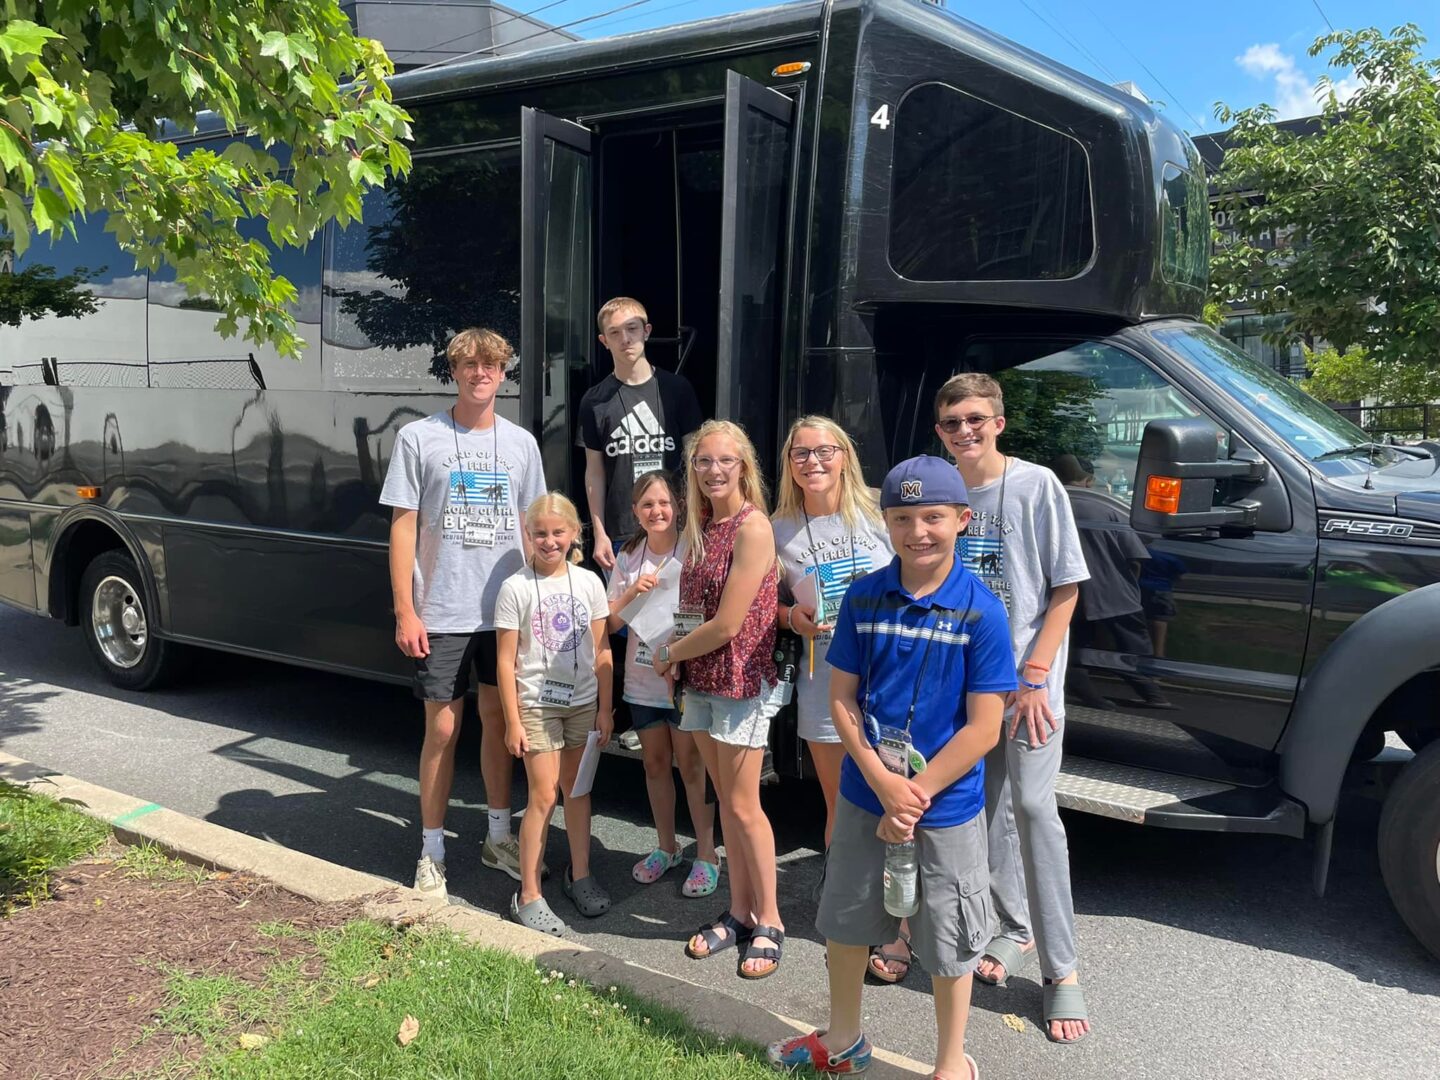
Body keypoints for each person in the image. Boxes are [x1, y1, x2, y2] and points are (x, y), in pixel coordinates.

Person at [767, 455, 1015, 1080]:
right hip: (865, 794)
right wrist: (882, 781)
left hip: (947, 807)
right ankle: (845, 1037)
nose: (918, 531)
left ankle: (950, 1061)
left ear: (962, 519)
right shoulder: (865, 594)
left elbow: (985, 727)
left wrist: (917, 792)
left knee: (950, 939)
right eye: (902, 518)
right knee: (848, 919)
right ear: (886, 522)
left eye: (933, 517)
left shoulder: (982, 612)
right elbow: (842, 696)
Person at [936, 372, 1092, 1044]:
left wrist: (1033, 676)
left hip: (1028, 689)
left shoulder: (1036, 485)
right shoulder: (941, 494)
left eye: (975, 419)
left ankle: (1063, 972)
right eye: (951, 424)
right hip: (968, 687)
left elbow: (1065, 590)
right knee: (985, 811)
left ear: (998, 421)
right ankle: (1011, 929)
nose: (964, 432)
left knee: (1031, 810)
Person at [381, 327, 546, 902]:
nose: (481, 373)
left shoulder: (522, 444)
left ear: (504, 374)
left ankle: (497, 836)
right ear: (454, 371)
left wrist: (539, 604)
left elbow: (535, 529)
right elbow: (402, 526)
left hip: (505, 610)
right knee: (443, 729)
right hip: (443, 610)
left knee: (501, 726)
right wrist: (406, 609)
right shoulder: (419, 438)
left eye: (492, 365)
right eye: (470, 365)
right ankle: (431, 851)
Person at [769, 416, 904, 982]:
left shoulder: (877, 515)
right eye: (800, 453)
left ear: (844, 455)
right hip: (825, 683)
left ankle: (898, 931)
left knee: (896, 805)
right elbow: (763, 606)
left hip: (892, 682)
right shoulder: (778, 529)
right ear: (788, 464)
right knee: (842, 808)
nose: (812, 462)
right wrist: (789, 616)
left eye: (824, 451)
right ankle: (848, 922)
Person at [652, 419, 784, 979]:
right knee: (725, 802)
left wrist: (671, 652)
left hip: (738, 679)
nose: (712, 471)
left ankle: (771, 921)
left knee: (744, 804)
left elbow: (730, 624)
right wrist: (677, 659)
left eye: (724, 461)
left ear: (744, 466)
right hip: (700, 681)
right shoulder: (699, 528)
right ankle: (737, 911)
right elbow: (690, 607)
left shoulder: (754, 528)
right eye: (703, 461)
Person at [495, 493, 614, 936]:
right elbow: (505, 661)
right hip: (537, 706)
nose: (549, 541)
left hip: (583, 704)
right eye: (540, 533)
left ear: (574, 534)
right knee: (543, 796)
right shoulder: (516, 588)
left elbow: (602, 650)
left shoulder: (589, 583)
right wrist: (512, 720)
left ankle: (579, 875)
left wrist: (606, 707)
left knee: (577, 793)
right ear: (528, 535)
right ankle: (528, 894)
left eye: (557, 532)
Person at [607, 469, 720, 897]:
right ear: (636, 512)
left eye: (664, 503)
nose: (657, 511)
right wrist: (634, 590)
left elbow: (709, 612)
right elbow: (612, 621)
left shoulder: (693, 549)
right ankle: (666, 847)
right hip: (641, 681)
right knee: (655, 765)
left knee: (692, 767)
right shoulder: (629, 555)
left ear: (678, 507)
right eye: (647, 504)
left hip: (683, 676)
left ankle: (707, 854)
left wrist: (677, 652)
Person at [578, 297, 704, 570]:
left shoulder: (677, 390)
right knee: (624, 613)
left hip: (676, 528)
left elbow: (696, 461)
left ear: (646, 331)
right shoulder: (594, 401)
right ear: (604, 341)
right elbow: (594, 472)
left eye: (632, 328)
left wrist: (696, 522)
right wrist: (599, 533)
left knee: (677, 611)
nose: (625, 338)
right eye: (615, 332)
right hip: (622, 534)